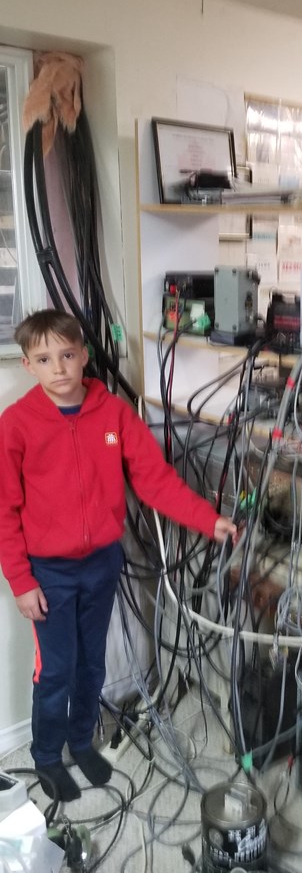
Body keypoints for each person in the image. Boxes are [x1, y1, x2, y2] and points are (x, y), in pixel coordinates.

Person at [0, 310, 237, 802]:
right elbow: (5, 509)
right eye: (45, 359)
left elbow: (154, 479)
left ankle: (80, 742)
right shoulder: (17, 425)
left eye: (67, 355)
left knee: (92, 666)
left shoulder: (112, 415)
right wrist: (21, 582)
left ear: (85, 355)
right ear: (28, 365)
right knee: (56, 668)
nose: (59, 368)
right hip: (50, 574)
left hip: (102, 562)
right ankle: (46, 757)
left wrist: (206, 519)